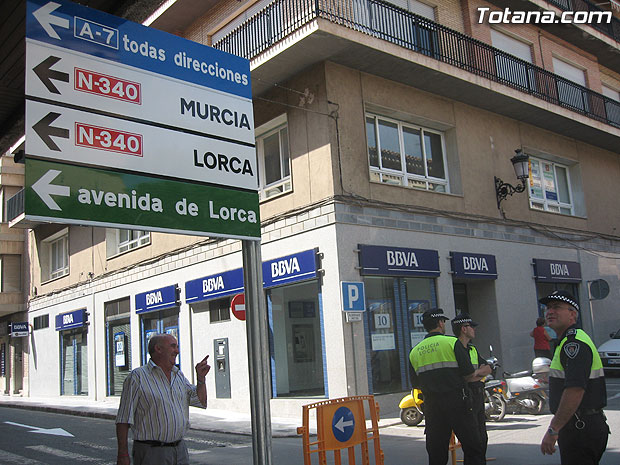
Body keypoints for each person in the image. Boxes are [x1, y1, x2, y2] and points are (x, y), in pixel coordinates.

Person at [116, 333, 211, 465]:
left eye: (177, 346)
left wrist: (201, 379)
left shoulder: (178, 375)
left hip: (180, 451)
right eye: (173, 346)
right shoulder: (137, 377)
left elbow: (200, 401)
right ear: (158, 349)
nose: (177, 351)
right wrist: (123, 454)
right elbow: (123, 419)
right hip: (152, 452)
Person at [409, 308, 488, 465]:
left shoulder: (414, 351)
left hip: (432, 407)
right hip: (458, 403)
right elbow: (468, 374)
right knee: (473, 448)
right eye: (443, 322)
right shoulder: (452, 342)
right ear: (440, 323)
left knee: (436, 453)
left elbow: (416, 383)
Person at [539, 290, 609, 465]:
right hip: (581, 425)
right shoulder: (568, 341)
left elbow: (575, 390)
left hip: (580, 427)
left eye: (557, 307)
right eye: (547, 308)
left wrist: (553, 430)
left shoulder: (573, 344)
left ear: (573, 314)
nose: (550, 312)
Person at [451, 313, 492, 459]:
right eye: (471, 326)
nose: (474, 329)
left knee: (482, 438)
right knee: (473, 442)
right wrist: (477, 373)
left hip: (478, 394)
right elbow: (466, 377)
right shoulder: (455, 348)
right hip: (466, 396)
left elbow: (488, 368)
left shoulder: (472, 349)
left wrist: (476, 373)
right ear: (463, 328)